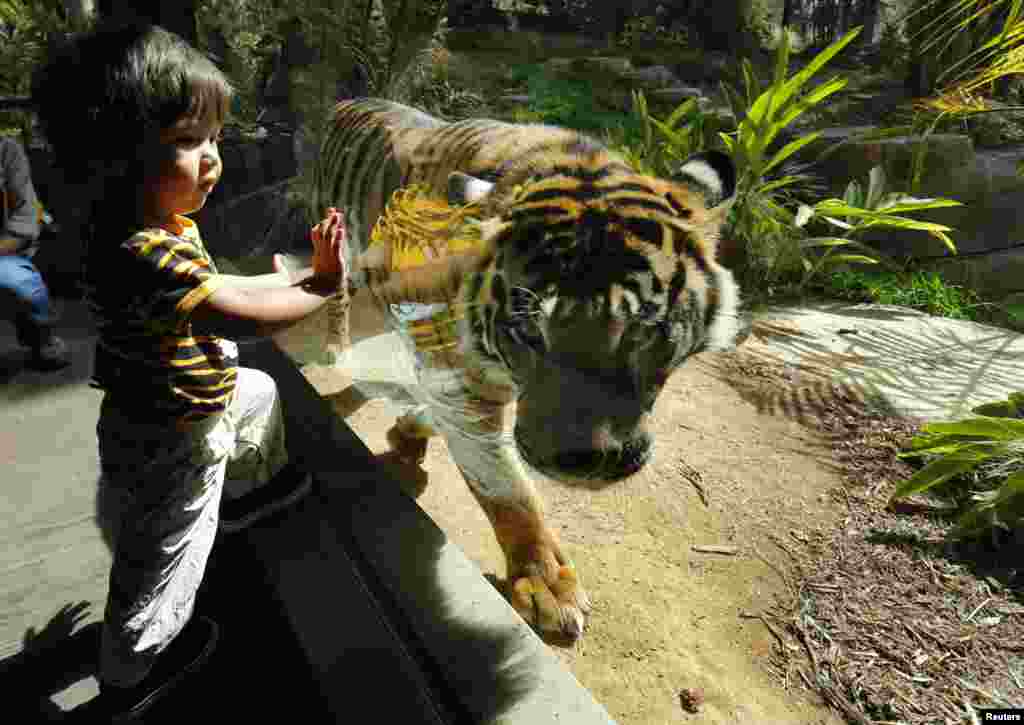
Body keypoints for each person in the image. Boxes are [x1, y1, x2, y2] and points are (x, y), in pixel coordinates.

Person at [31, 20, 348, 721]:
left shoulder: (148, 222)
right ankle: (131, 675)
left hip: (171, 402)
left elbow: (217, 290)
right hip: (174, 435)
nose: (213, 159)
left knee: (256, 392)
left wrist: (283, 283)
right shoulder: (142, 247)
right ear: (115, 158)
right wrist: (319, 287)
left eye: (213, 139)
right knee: (160, 566)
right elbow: (238, 316)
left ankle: (248, 491)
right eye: (187, 141)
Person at [0, 134, 70, 370]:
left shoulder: (6, 150)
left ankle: (41, 336)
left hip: (3, 254)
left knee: (15, 281)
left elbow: (25, 219)